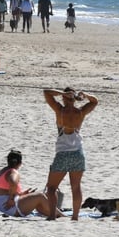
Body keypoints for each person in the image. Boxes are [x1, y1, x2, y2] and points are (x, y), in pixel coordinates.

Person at [42, 87, 98, 220]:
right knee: (76, 187)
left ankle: (51, 215)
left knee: (51, 187)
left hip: (63, 153)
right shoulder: (80, 112)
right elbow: (95, 101)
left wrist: (62, 93)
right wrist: (85, 95)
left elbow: (46, 92)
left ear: (64, 98)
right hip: (78, 153)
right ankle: (75, 216)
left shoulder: (59, 110)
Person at [0, 149, 60, 218]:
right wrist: (11, 199)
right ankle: (60, 215)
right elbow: (13, 182)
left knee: (38, 202)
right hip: (8, 209)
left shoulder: (1, 172)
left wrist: (21, 194)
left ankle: (56, 214)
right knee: (40, 196)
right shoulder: (13, 172)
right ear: (20, 163)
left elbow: (5, 190)